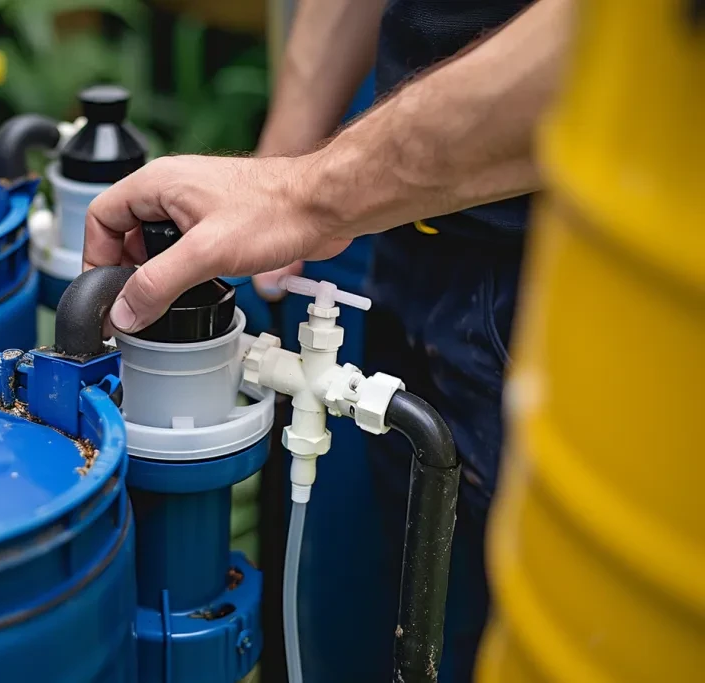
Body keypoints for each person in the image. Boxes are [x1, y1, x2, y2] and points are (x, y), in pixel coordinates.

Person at [84, 0, 573, 680]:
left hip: (563, 267)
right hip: (415, 218)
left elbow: (606, 40)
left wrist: (305, 193)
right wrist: (278, 169)